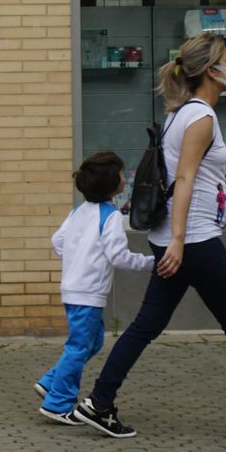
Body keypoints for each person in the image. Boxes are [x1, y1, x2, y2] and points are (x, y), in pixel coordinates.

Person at [72, 33, 226, 441]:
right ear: (211, 71)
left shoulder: (181, 113)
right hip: (194, 240)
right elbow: (185, 178)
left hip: (177, 238)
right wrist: (180, 241)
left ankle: (99, 403)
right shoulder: (200, 117)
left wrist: (173, 239)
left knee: (146, 325)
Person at [34, 150, 155, 426]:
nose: (126, 178)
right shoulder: (110, 216)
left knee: (93, 342)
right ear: (114, 183)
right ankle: (57, 403)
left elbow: (57, 242)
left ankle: (51, 381)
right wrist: (151, 263)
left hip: (73, 290)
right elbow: (118, 256)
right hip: (87, 294)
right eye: (123, 174)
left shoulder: (78, 211)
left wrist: (78, 256)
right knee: (78, 347)